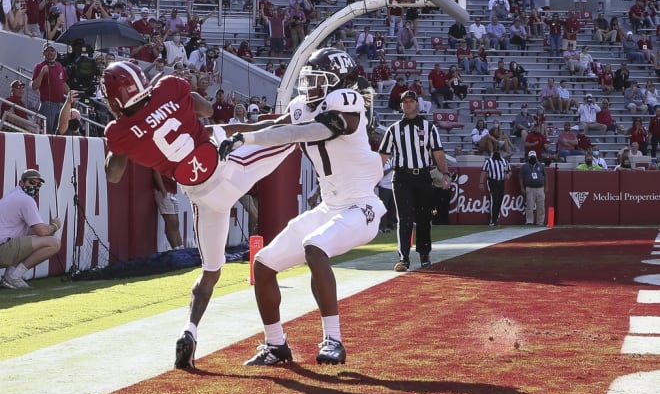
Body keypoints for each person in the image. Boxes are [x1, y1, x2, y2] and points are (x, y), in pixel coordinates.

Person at [101, 61, 297, 369]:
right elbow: (206, 110)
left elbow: (113, 175)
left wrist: (119, 143)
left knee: (210, 273)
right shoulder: (169, 86)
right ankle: (320, 117)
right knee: (290, 136)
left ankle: (189, 331)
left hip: (203, 198)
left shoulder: (119, 133)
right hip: (228, 169)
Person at [219, 47, 386, 366]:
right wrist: (228, 132)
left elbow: (314, 131)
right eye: (308, 79)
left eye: (318, 80)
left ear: (339, 83)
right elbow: (274, 127)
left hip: (360, 207)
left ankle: (333, 340)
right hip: (331, 206)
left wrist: (248, 141)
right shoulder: (303, 106)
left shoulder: (347, 104)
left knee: (314, 246)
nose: (309, 86)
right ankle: (276, 345)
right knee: (264, 264)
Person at [379, 90, 449, 271]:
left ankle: (424, 256)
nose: (408, 104)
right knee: (404, 218)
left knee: (424, 217)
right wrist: (370, 176)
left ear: (417, 104)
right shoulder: (393, 129)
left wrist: (446, 173)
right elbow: (383, 156)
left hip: (423, 176)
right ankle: (404, 258)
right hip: (402, 176)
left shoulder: (429, 127)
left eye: (411, 101)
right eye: (405, 102)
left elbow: (438, 153)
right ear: (401, 105)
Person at [0, 169, 61, 289]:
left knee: (36, 238)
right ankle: (14, 276)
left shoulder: (12, 195)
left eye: (38, 185)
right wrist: (55, 226)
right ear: (21, 183)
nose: (35, 187)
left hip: (4, 245)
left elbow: (32, 231)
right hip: (3, 248)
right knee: (54, 243)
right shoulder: (25, 200)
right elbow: (42, 231)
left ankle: (10, 275)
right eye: (32, 182)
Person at [31, 42, 69, 134]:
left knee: (59, 132)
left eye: (52, 50)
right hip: (48, 105)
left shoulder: (59, 66)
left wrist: (70, 96)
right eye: (47, 51)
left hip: (59, 104)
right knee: (48, 132)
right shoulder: (39, 66)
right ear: (43, 53)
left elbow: (63, 82)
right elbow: (34, 86)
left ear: (55, 52)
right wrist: (42, 73)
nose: (50, 53)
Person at [152, 170, 183, 250]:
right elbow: (156, 172)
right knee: (171, 221)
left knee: (176, 223)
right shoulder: (160, 159)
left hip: (172, 191)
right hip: (164, 192)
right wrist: (163, 190)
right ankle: (175, 249)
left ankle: (181, 248)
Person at [479, 150, 511, 227]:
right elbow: (484, 172)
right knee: (494, 199)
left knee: (500, 199)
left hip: (501, 182)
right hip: (492, 181)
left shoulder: (504, 161)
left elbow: (509, 171)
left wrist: (508, 175)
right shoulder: (488, 161)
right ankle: (492, 220)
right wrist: (481, 183)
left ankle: (496, 219)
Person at [518, 151, 547, 226]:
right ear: (528, 157)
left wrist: (546, 187)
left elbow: (545, 176)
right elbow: (521, 177)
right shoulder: (524, 166)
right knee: (529, 206)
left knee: (541, 206)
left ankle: (540, 222)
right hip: (530, 188)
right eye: (531, 157)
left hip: (540, 188)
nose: (533, 158)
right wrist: (522, 188)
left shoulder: (540, 166)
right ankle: (529, 221)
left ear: (536, 157)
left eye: (534, 156)